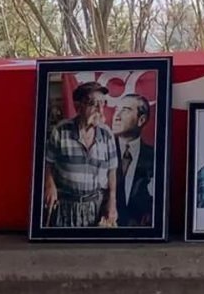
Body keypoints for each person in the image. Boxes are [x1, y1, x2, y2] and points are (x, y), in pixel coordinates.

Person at [43, 80, 118, 227]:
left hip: (96, 207)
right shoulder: (61, 130)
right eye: (93, 103)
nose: (99, 109)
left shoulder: (106, 134)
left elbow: (112, 171)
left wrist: (112, 202)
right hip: (66, 206)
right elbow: (48, 163)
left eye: (102, 103)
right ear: (78, 106)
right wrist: (49, 185)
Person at [111, 93, 155, 227]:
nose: (116, 116)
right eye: (116, 110)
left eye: (125, 110)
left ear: (141, 120)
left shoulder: (155, 157)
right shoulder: (101, 151)